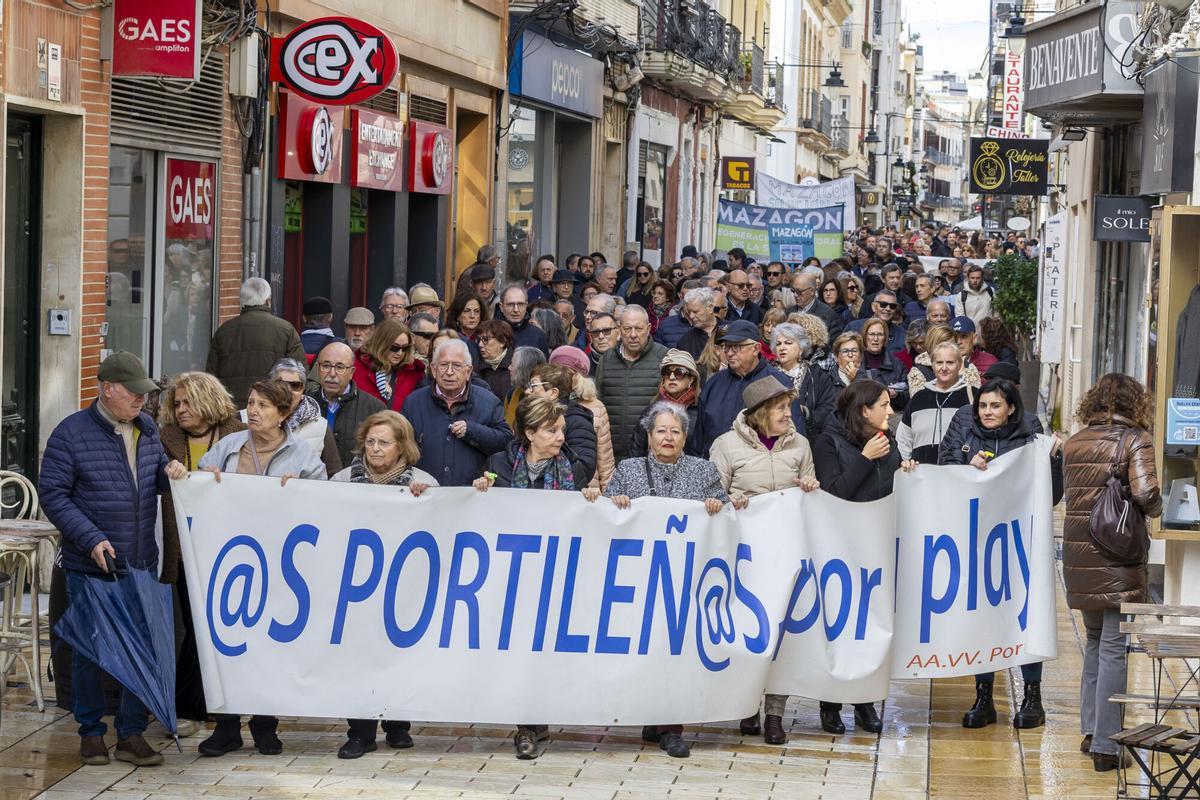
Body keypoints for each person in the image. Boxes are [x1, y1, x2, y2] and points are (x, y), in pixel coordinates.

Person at [41, 352, 188, 767]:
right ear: (107, 389)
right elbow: (53, 494)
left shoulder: (147, 428)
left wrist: (171, 473)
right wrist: (91, 539)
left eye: (145, 392)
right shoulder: (71, 433)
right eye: (133, 392)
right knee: (91, 651)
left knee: (141, 648)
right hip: (93, 564)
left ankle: (131, 734)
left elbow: (153, 476)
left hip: (141, 561)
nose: (142, 399)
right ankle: (91, 734)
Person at [583, 401, 730, 758]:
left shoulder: (703, 470)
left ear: (685, 437)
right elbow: (606, 517)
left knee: (676, 652)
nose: (668, 437)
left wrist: (718, 506)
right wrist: (612, 501)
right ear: (649, 436)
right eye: (661, 430)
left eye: (675, 431)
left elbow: (726, 515)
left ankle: (671, 727)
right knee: (647, 651)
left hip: (685, 580)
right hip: (639, 579)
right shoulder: (629, 469)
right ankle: (652, 716)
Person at [195, 379, 326, 758]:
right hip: (229, 558)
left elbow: (326, 502)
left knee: (269, 646)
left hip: (280, 564)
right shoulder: (229, 446)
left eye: (263, 406)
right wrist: (204, 479)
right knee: (227, 642)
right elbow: (197, 484)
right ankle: (226, 727)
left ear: (283, 414)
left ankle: (265, 724)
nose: (253, 411)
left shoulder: (302, 454)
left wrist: (303, 491)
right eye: (251, 403)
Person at [937, 378, 1063, 732]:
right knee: (984, 616)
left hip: (1020, 541)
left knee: (1025, 615)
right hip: (979, 539)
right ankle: (984, 697)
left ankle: (1032, 696)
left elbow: (1052, 494)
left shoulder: (1030, 434)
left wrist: (1053, 460)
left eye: (995, 406)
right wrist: (967, 462)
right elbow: (944, 469)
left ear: (1010, 408)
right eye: (983, 406)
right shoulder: (965, 428)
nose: (987, 412)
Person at [710, 375, 820, 745]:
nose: (789, 414)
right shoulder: (726, 446)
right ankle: (746, 704)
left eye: (788, 407)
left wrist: (809, 487)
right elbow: (713, 494)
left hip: (787, 555)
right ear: (760, 413)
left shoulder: (800, 445)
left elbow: (810, 492)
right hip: (746, 557)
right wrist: (730, 499)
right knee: (749, 631)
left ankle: (775, 714)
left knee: (783, 637)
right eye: (781, 408)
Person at [471, 395, 581, 759]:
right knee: (517, 649)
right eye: (551, 430)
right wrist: (479, 492)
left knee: (540, 650)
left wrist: (591, 499)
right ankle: (527, 725)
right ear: (530, 433)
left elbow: (580, 518)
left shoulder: (572, 468)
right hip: (509, 572)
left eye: (562, 430)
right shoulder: (498, 465)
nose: (560, 437)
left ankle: (533, 721)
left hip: (551, 572)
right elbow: (483, 515)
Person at [1063, 374, 1162, 772]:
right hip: (1117, 557)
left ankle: (1091, 731)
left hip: (1080, 556)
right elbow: (1146, 493)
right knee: (1114, 648)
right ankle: (1107, 746)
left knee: (1095, 641)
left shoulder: (1075, 442)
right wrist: (1156, 511)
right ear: (1134, 402)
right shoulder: (1135, 439)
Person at [812, 380, 916, 735]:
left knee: (871, 626)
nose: (891, 411)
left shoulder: (888, 440)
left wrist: (908, 472)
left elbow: (893, 485)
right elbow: (834, 493)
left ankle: (864, 701)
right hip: (839, 548)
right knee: (838, 625)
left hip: (878, 546)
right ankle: (830, 703)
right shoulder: (828, 442)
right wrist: (864, 458)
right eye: (884, 405)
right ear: (863, 411)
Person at [332, 410, 434, 759]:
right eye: (371, 441)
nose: (375, 448)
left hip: (402, 588)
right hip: (355, 585)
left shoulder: (424, 483)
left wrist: (426, 501)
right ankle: (360, 733)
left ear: (402, 447)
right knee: (357, 658)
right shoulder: (341, 481)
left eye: (384, 443)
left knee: (398, 654)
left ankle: (397, 723)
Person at [156, 371, 246, 722]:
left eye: (188, 402)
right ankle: (192, 703)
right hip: (183, 550)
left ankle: (196, 702)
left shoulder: (239, 435)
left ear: (208, 401)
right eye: (177, 403)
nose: (181, 409)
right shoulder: (164, 438)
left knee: (214, 625)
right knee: (196, 625)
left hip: (226, 548)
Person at [402, 338, 512, 485]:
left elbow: (505, 442)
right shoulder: (413, 403)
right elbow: (400, 448)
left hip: (473, 492)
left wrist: (473, 430)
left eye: (457, 366)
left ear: (468, 371)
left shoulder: (489, 403)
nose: (449, 372)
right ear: (433, 369)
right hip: (424, 492)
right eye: (443, 365)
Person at [694, 321, 803, 456]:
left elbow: (795, 435)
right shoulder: (714, 384)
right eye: (726, 347)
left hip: (763, 465)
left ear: (756, 349)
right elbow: (698, 439)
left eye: (736, 347)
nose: (729, 353)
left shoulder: (779, 383)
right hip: (715, 462)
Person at [207, 278, 306, 406]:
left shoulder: (223, 332)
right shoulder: (286, 330)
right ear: (268, 301)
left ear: (241, 301)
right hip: (271, 405)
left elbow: (211, 378)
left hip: (232, 407)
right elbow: (300, 372)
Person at [596, 305, 669, 461]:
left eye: (639, 328)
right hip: (611, 453)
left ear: (648, 329)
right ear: (619, 330)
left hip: (650, 453)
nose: (633, 335)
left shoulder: (664, 357)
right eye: (627, 329)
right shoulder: (607, 359)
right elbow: (597, 402)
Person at [309, 342, 386, 466]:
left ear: (351, 372)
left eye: (340, 367)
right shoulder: (306, 404)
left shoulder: (375, 408)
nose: (332, 373)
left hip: (356, 477)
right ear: (317, 368)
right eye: (326, 366)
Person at [896, 341, 973, 464]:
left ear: (959, 365)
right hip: (922, 472)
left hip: (960, 472)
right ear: (932, 365)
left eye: (950, 362)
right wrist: (904, 465)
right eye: (939, 362)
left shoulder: (973, 396)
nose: (944, 368)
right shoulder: (918, 398)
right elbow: (903, 439)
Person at [549, 346, 615, 489]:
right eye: (556, 372)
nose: (561, 377)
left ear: (578, 377)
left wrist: (608, 493)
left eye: (567, 373)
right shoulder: (544, 405)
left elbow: (605, 459)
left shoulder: (595, 406)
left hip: (588, 489)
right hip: (550, 485)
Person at [267, 358, 342, 474]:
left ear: (303, 389)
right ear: (270, 386)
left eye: (295, 385)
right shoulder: (248, 418)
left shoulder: (320, 427)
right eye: (281, 384)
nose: (288, 391)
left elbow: (334, 475)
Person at [527, 363, 598, 485]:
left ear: (553, 393)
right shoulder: (530, 417)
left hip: (561, 493)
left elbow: (584, 468)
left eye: (533, 386)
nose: (528, 391)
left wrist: (541, 479)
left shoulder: (577, 421)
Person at [772, 323, 837, 438]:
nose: (782, 347)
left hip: (809, 438)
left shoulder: (817, 376)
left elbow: (828, 409)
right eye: (778, 344)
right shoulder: (768, 375)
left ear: (801, 349)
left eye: (788, 343)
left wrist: (807, 414)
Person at [353, 317, 426, 412]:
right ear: (381, 344)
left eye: (405, 348)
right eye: (395, 347)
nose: (400, 353)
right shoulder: (356, 368)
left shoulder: (413, 373)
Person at [847, 289, 906, 354]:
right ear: (873, 307)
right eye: (883, 304)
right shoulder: (854, 328)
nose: (888, 309)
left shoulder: (901, 334)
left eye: (892, 306)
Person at [498, 284, 549, 354]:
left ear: (526, 306)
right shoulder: (490, 333)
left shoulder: (538, 335)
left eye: (520, 304)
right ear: (501, 307)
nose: (516, 309)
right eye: (510, 304)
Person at [676, 287, 724, 361]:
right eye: (689, 312)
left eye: (695, 312)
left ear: (710, 308)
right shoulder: (685, 341)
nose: (691, 316)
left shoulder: (731, 329)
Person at [790, 272, 844, 338]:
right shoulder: (789, 311)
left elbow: (831, 342)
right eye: (793, 290)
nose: (795, 295)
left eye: (799, 292)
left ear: (812, 291)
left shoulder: (829, 315)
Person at [475, 319, 516, 403]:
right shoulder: (475, 367)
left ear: (502, 341)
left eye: (485, 339)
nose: (480, 344)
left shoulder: (516, 366)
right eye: (479, 339)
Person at [504, 346, 546, 426]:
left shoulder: (546, 398)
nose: (509, 368)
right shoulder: (511, 394)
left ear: (524, 369)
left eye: (512, 364)